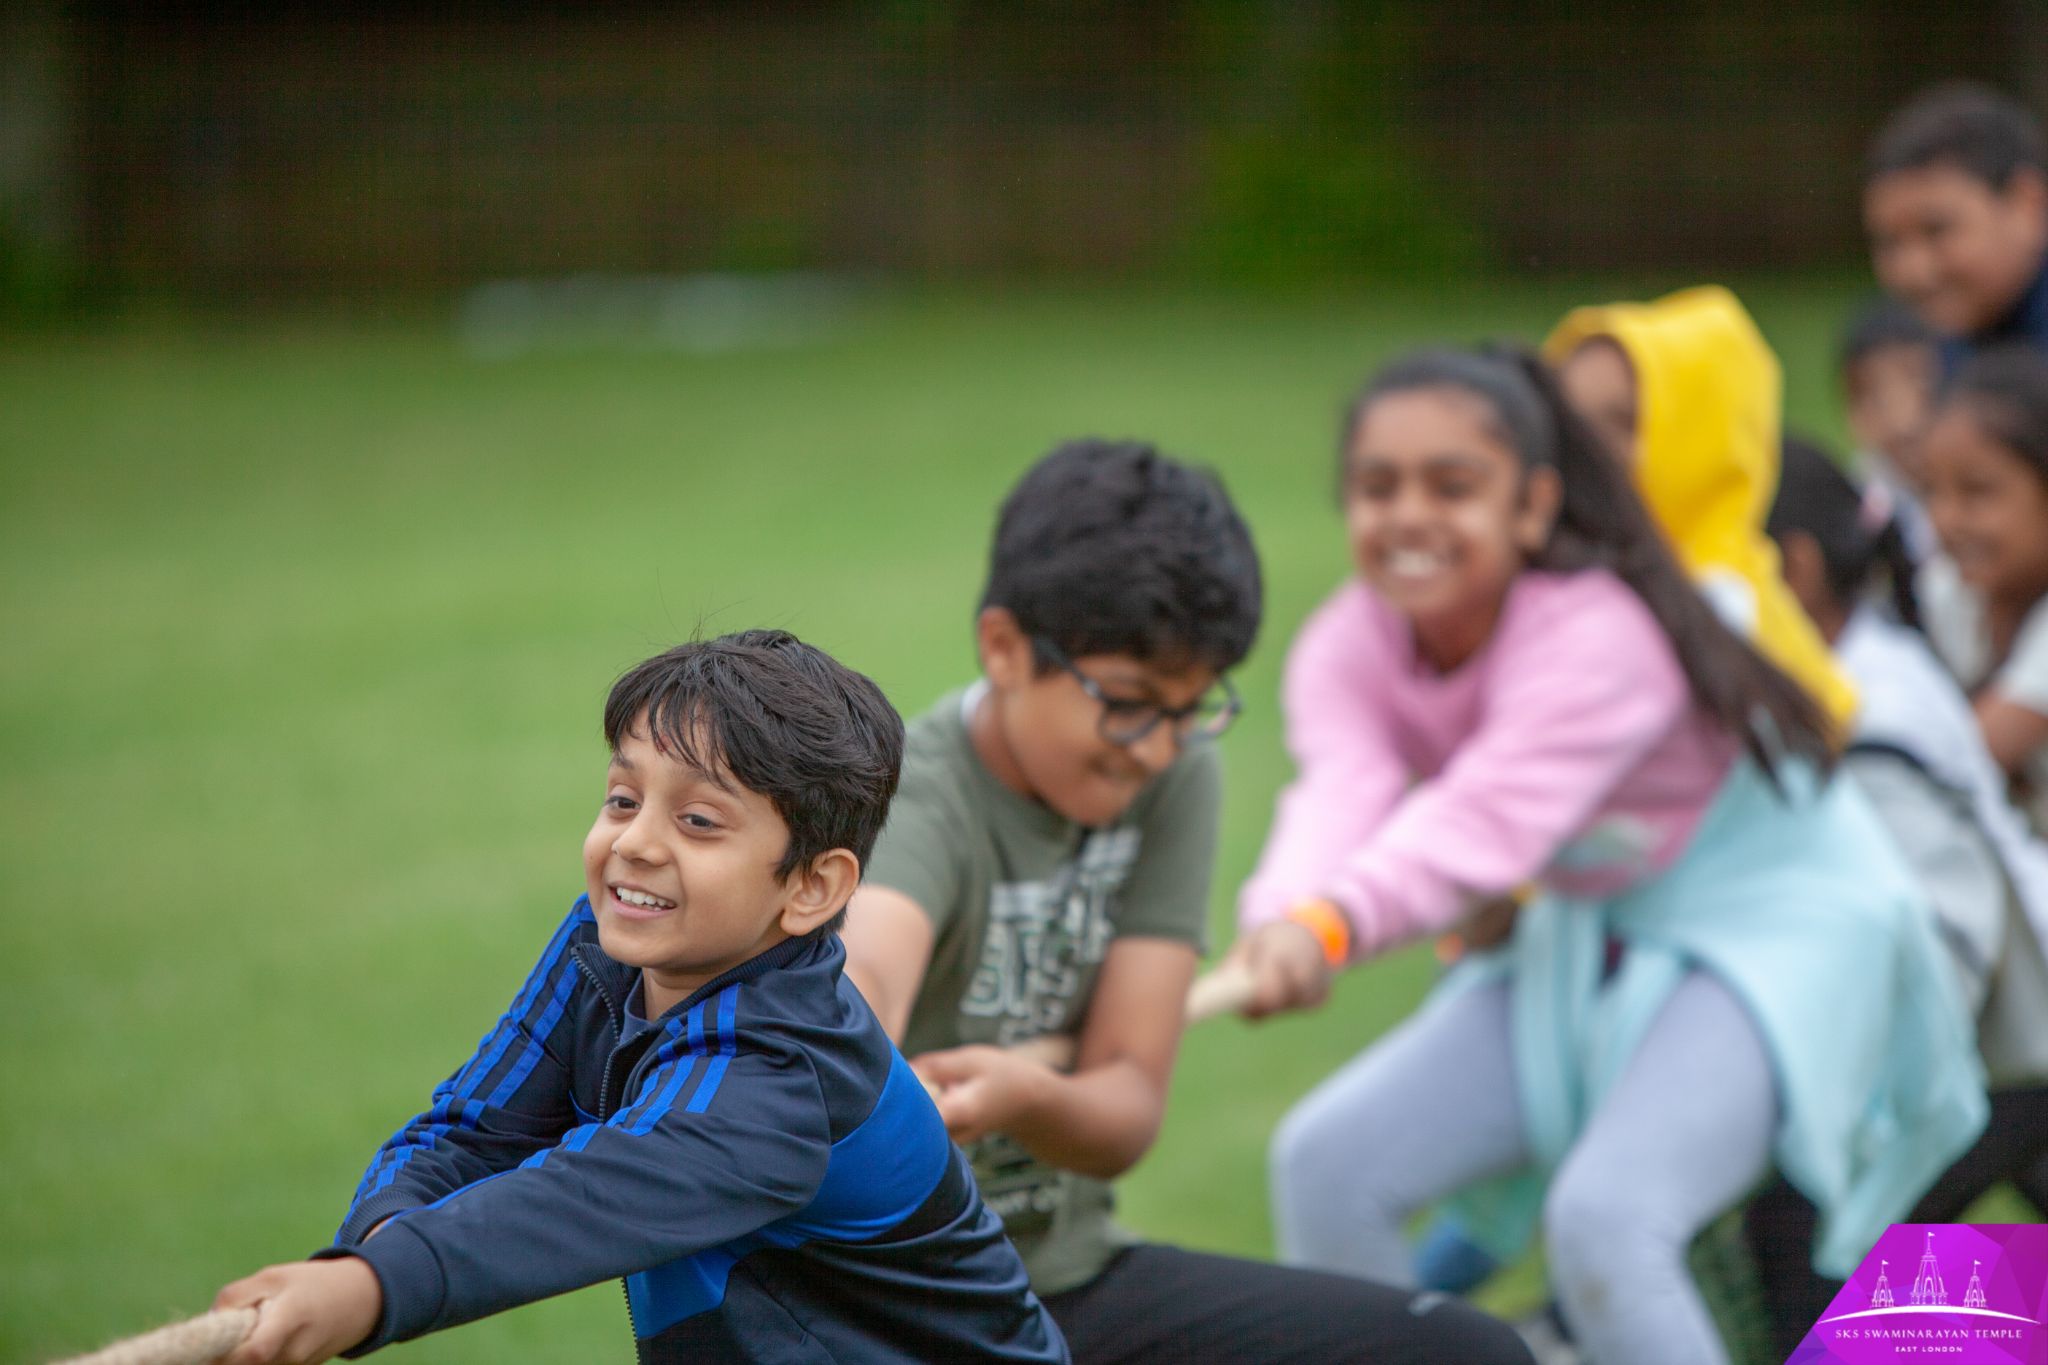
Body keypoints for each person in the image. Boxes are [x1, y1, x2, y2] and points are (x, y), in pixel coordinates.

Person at [1239, 347, 1985, 1365]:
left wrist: (1327, 927)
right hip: (1599, 934)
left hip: (1780, 931)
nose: (1407, 515)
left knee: (1608, 1220)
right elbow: (1339, 790)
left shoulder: (1601, 635)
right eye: (1376, 487)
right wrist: (1280, 914)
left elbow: (1481, 823)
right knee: (1325, 1164)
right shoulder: (1348, 640)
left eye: (1451, 485)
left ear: (1533, 504)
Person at [840, 440, 1534, 1365]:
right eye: (1128, 702)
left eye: (1191, 706)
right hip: (882, 1312)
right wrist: (868, 1062)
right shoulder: (920, 794)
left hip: (1062, 1287)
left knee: (1464, 1353)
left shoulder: (1174, 775)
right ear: (1004, 648)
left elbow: (1126, 1105)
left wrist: (1026, 1096)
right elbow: (862, 991)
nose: (1159, 745)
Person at [211, 631, 1069, 1365]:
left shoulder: (780, 1080)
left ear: (811, 886)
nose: (635, 842)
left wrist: (371, 1288)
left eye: (699, 821)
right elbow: (472, 1128)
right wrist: (378, 1238)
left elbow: (584, 1196)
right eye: (623, 798)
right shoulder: (605, 947)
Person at [1747, 435, 2048, 1358]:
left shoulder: (1866, 718)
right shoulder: (1850, 669)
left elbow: (1953, 938)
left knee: (1822, 1255)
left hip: (2003, 1050)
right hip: (2000, 1044)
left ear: (1793, 569)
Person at [1546, 283, 1859, 729]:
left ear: (1699, 446)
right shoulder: (1585, 564)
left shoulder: (1720, 606)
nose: (1582, 447)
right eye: (1568, 419)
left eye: (1624, 422)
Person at [1919, 345, 2048, 834]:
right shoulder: (1950, 591)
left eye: (1978, 492)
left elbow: (1967, 759)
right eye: (1931, 491)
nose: (1946, 519)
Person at [1864, 82, 2048, 368]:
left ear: (2026, 206)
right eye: (1889, 242)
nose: (1913, 270)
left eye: (1937, 230)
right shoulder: (1931, 349)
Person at [1839, 298, 1942, 561]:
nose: (1903, 417)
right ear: (1853, 415)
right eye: (1878, 398)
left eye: (1921, 385)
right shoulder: (1856, 499)